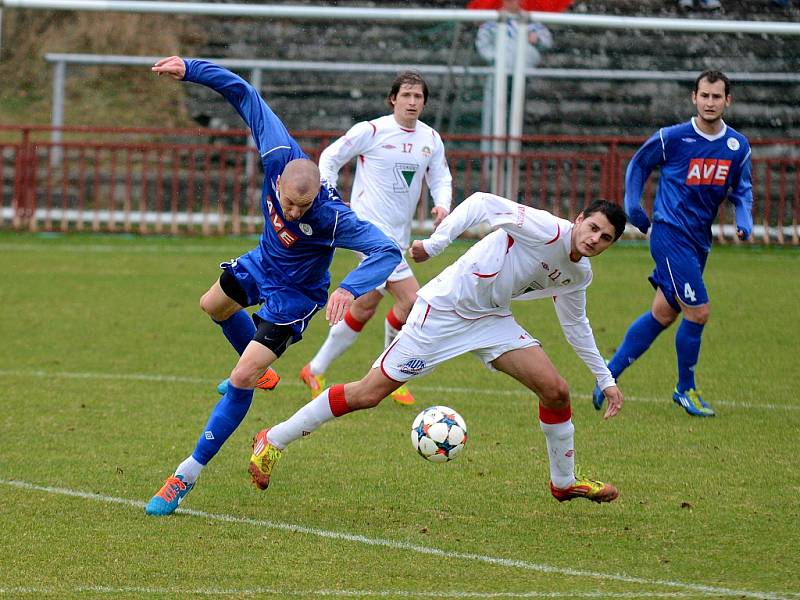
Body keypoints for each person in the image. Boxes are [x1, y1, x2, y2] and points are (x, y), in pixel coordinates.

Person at [144, 56, 402, 516]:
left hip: (296, 296)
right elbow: (245, 94)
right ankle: (259, 370)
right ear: (279, 180)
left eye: (304, 207)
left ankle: (183, 477)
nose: (296, 213)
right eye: (289, 204)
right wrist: (190, 68)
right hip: (262, 263)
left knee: (238, 377)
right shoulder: (278, 153)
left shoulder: (331, 215)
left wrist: (349, 286)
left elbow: (387, 251)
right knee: (212, 304)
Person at [249, 194, 628, 504]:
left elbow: (576, 325)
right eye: (593, 227)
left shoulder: (581, 273)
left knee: (556, 391)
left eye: (605, 237)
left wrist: (605, 379)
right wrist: (434, 244)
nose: (594, 239)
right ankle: (274, 439)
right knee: (367, 394)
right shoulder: (545, 228)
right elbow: (481, 202)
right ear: (578, 220)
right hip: (442, 312)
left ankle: (564, 483)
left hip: (491, 320)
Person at [592, 70, 752, 418]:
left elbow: (742, 187)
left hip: (698, 240)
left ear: (728, 101)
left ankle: (609, 370)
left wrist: (744, 217)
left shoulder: (737, 145)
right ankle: (684, 389)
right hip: (669, 234)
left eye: (717, 96)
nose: (710, 102)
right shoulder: (673, 138)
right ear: (694, 97)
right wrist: (633, 206)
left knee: (663, 313)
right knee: (699, 312)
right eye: (704, 96)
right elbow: (638, 165)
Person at [299, 71, 453, 407]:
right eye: (407, 95)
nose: (412, 102)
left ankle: (315, 368)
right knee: (412, 301)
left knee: (365, 305)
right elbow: (330, 156)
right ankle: (392, 374)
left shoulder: (430, 139)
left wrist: (443, 204)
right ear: (393, 99)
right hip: (368, 233)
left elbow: (440, 175)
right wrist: (328, 191)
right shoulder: (372, 130)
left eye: (418, 97)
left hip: (398, 236)